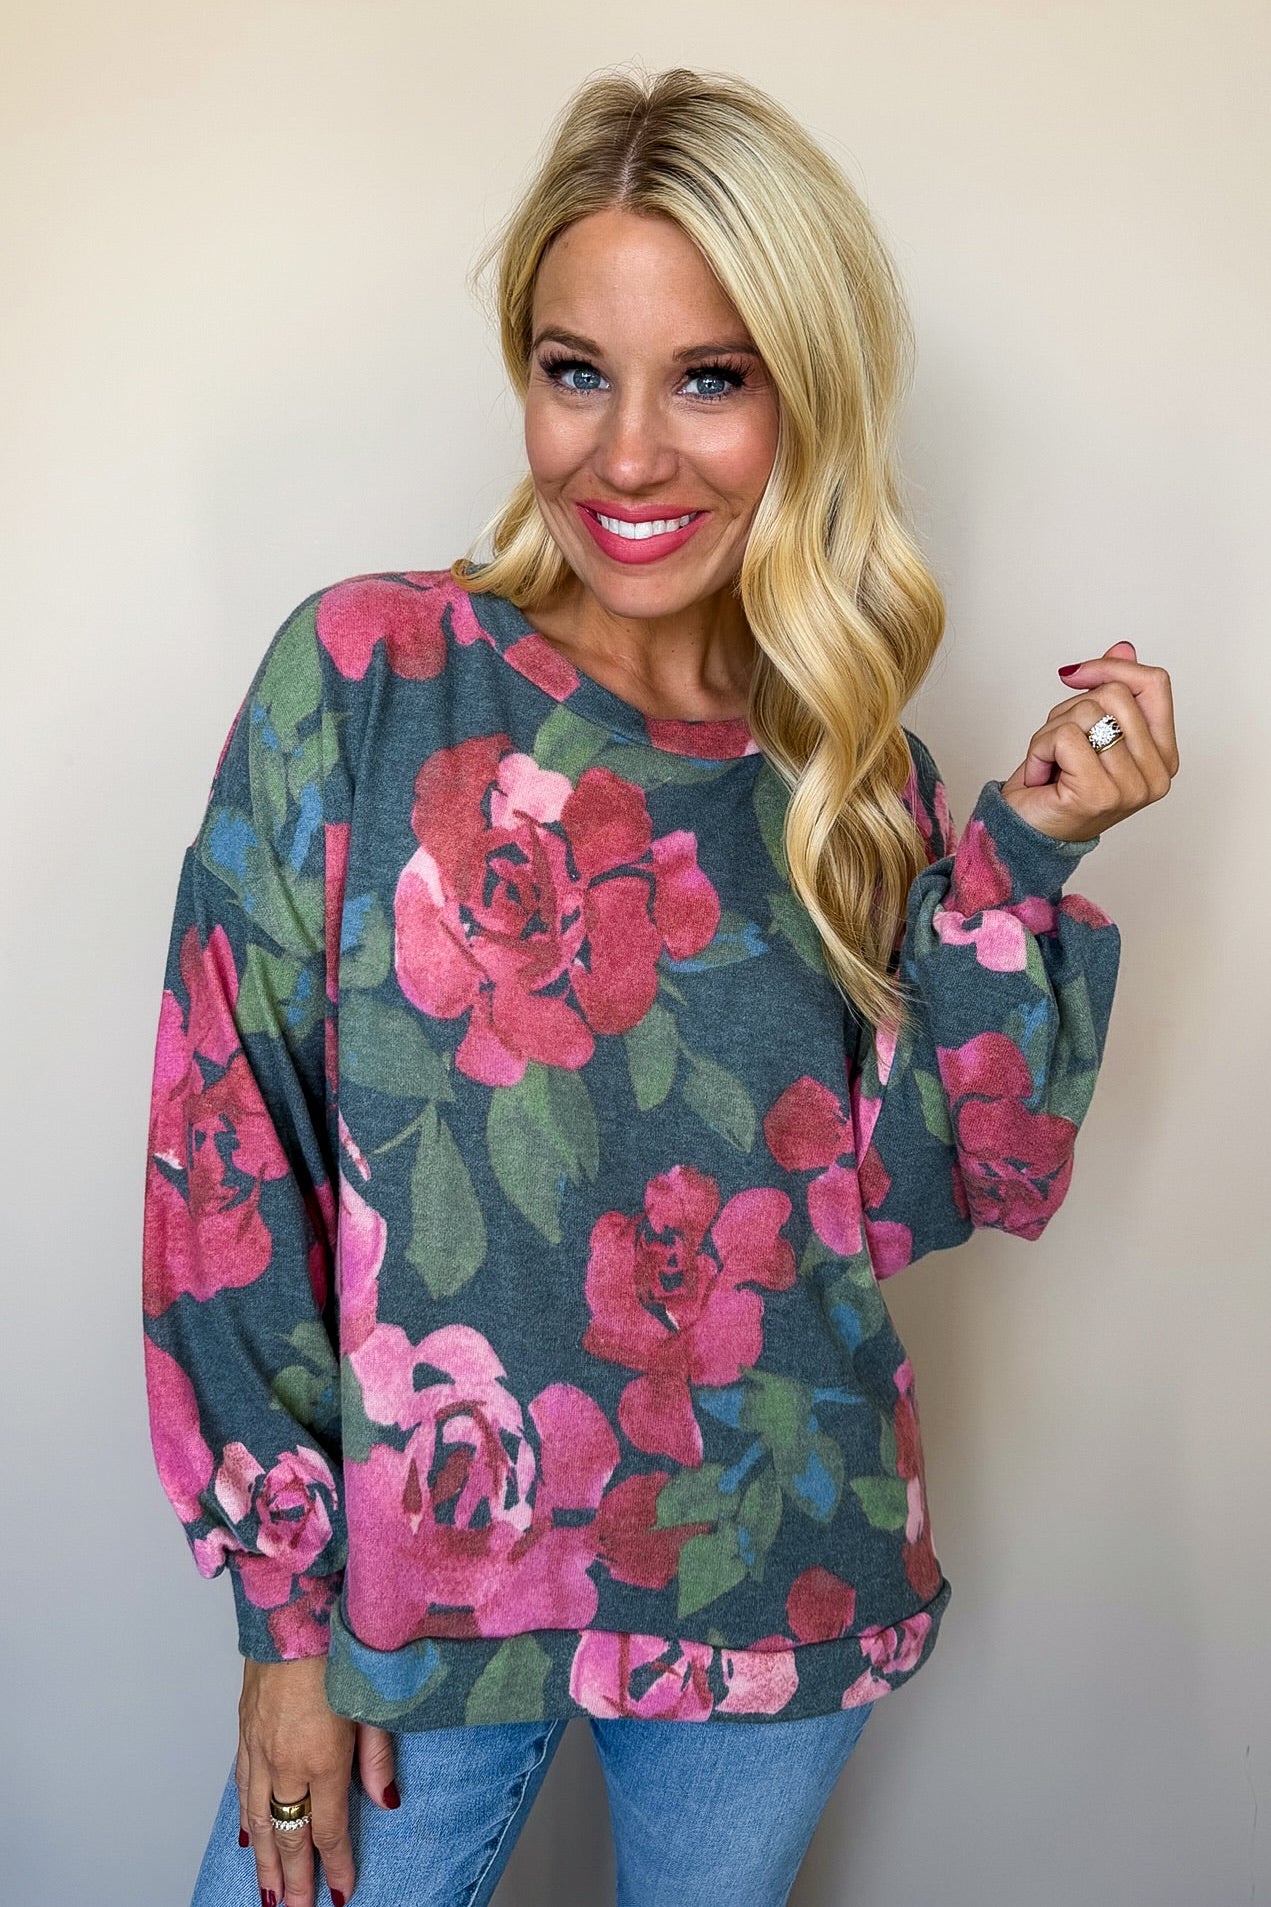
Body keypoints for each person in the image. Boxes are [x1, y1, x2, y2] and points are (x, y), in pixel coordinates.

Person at [142, 64, 1177, 1907]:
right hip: (411, 1595)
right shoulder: (367, 678)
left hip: (773, 1581)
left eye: (709, 378)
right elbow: (227, 1157)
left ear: (805, 396)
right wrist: (282, 1623)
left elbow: (937, 1194)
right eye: (576, 370)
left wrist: (1020, 852)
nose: (627, 455)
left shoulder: (851, 772)